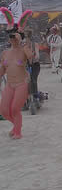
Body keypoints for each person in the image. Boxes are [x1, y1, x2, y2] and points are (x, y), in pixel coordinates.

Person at [0, 8, 32, 139]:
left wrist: (22, 42)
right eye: (10, 36)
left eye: (14, 36)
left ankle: (18, 132)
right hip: (10, 84)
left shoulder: (24, 49)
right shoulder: (5, 52)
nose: (12, 39)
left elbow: (31, 58)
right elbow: (2, 69)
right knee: (4, 110)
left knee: (14, 109)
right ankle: (16, 126)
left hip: (21, 84)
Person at [24, 28, 41, 106]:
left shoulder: (35, 44)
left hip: (34, 65)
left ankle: (35, 97)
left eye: (28, 36)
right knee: (26, 82)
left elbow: (37, 56)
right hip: (26, 65)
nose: (26, 39)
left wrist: (32, 57)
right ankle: (26, 99)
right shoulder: (23, 44)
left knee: (33, 80)